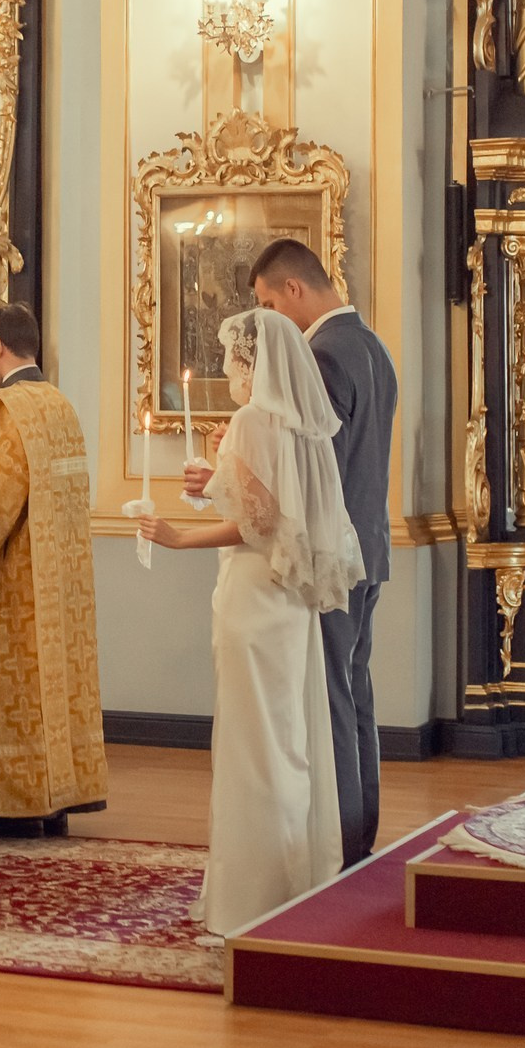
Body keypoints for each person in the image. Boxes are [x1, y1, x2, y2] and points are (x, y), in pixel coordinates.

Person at [140, 309, 364, 934]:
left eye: (234, 362)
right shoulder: (296, 428)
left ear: (253, 364)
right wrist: (218, 479)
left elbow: (258, 526)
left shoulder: (247, 423)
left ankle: (252, 900)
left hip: (251, 599)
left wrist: (179, 539)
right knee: (285, 741)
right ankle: (295, 885)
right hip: (287, 605)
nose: (229, 373)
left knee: (250, 749)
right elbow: (278, 510)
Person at [243, 237, 397, 868]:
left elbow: (314, 472)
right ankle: (360, 827)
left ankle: (342, 837)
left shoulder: (323, 356)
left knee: (334, 692)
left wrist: (246, 479)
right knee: (354, 688)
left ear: (295, 290)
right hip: (370, 549)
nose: (267, 316)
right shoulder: (372, 347)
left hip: (337, 555)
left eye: (267, 301)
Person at [0, 303, 107, 839]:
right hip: (57, 580)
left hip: (11, 578)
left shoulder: (9, 409)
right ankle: (52, 800)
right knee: (50, 692)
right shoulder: (59, 406)